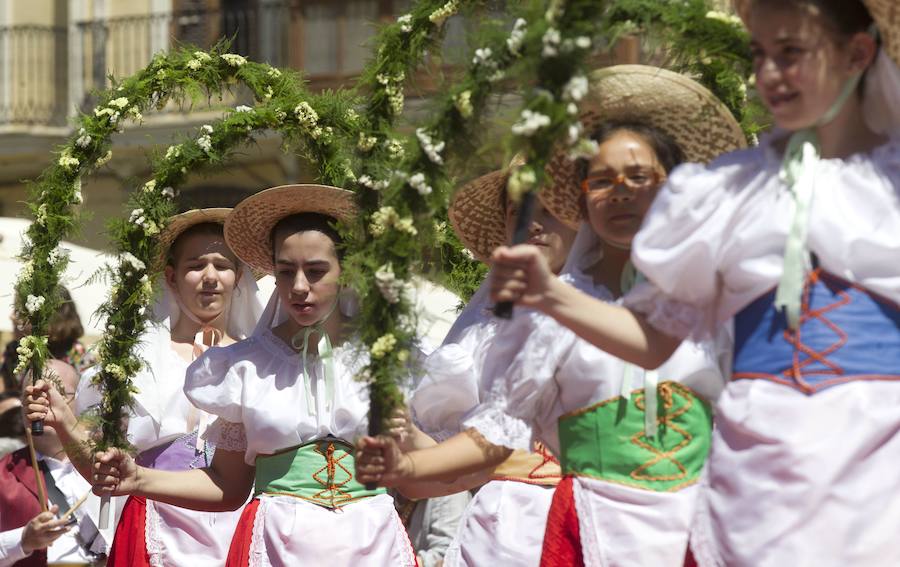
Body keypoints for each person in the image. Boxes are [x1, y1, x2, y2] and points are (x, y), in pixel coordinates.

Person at [490, 1, 900, 565]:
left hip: (877, 462)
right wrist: (551, 293)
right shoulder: (727, 193)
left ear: (858, 52)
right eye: (761, 55)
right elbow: (652, 336)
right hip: (759, 474)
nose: (770, 75)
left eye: (791, 53)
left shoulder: (891, 182)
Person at [357, 65, 747, 567]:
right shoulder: (546, 316)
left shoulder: (720, 298)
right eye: (602, 180)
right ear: (582, 195)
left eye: (639, 177)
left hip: (702, 532)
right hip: (588, 532)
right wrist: (412, 462)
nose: (621, 192)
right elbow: (496, 435)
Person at [90, 184, 419, 565]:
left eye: (315, 272)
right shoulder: (245, 365)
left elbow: (428, 473)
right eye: (285, 272)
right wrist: (139, 479)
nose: (298, 287)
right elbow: (228, 486)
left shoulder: (387, 358)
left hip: (373, 543)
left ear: (346, 272)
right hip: (277, 543)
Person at [26, 208, 264, 567]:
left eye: (222, 265)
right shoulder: (132, 361)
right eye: (196, 265)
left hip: (238, 527)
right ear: (171, 276)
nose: (210, 277)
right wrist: (63, 419)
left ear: (239, 275)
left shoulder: (260, 361)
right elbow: (102, 472)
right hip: (154, 529)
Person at [402, 157, 576, 567]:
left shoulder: (623, 311)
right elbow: (450, 466)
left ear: (581, 220)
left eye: (548, 210)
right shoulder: (484, 334)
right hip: (505, 529)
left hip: (598, 511)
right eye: (518, 211)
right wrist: (399, 425)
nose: (533, 224)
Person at [1, 359, 111, 566]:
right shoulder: (3, 473)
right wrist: (22, 540)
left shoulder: (114, 465)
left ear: (81, 400)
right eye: (31, 396)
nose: (41, 404)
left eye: (56, 393)